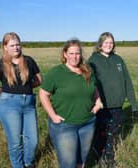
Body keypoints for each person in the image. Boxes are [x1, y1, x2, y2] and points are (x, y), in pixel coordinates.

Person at [39, 38, 103, 168]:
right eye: (72, 53)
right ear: (65, 54)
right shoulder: (56, 73)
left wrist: (98, 103)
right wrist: (53, 116)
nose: (75, 57)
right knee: (68, 164)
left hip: (88, 123)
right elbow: (43, 94)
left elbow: (94, 88)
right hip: (64, 126)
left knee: (81, 161)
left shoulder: (87, 71)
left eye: (78, 53)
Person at [0, 32, 42, 168]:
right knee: (16, 143)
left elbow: (39, 80)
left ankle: (28, 163)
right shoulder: (0, 64)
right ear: (5, 47)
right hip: (10, 105)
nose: (16, 48)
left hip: (29, 105)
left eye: (18, 44)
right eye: (12, 45)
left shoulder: (29, 61)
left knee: (33, 140)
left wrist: (25, 87)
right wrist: (6, 90)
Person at [88, 32, 138, 167]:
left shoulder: (118, 60)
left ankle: (107, 157)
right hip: (102, 105)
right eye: (106, 42)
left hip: (117, 105)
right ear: (100, 44)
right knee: (101, 133)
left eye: (111, 42)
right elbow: (87, 83)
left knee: (113, 132)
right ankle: (100, 158)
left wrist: (133, 103)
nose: (108, 45)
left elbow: (127, 80)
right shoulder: (93, 61)